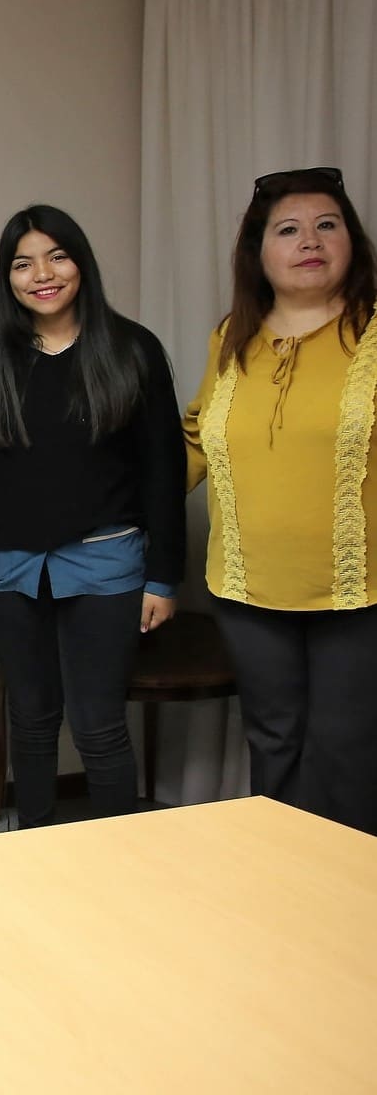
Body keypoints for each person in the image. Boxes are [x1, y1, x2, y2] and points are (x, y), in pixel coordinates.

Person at [0, 204, 184, 828]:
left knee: (100, 723)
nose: (41, 274)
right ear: (8, 277)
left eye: (56, 256)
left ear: (81, 262)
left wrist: (163, 577)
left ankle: (118, 864)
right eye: (23, 263)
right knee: (31, 716)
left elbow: (163, 469)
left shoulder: (133, 350)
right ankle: (37, 856)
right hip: (8, 566)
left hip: (107, 560)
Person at [184, 166, 377, 835]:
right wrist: (110, 495)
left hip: (355, 595)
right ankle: (281, 900)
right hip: (247, 590)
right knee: (272, 745)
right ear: (258, 252)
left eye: (327, 225)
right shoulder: (228, 338)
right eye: (287, 229)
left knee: (344, 753)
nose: (309, 241)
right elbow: (196, 436)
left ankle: (347, 916)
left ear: (350, 241)